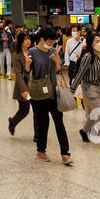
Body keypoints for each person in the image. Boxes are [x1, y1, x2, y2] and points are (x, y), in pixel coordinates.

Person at [28, 29, 72, 165]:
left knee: (59, 122)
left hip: (53, 92)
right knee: (43, 122)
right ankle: (40, 151)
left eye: (53, 41)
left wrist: (58, 63)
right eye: (49, 41)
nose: (51, 43)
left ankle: (65, 153)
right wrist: (26, 65)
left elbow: (59, 71)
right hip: (39, 93)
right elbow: (27, 73)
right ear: (41, 39)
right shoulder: (32, 52)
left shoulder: (53, 51)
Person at [72, 31, 100, 150]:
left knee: (95, 114)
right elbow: (80, 73)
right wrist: (72, 89)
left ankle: (84, 131)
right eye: (96, 41)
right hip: (90, 88)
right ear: (91, 44)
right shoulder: (88, 57)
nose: (99, 43)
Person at [8, 30, 32, 136]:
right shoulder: (16, 55)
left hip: (35, 85)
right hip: (23, 86)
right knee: (24, 110)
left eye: (29, 39)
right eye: (26, 39)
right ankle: (13, 122)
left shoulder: (32, 52)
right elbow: (18, 74)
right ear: (21, 41)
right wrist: (24, 90)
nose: (28, 41)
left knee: (37, 110)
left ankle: (37, 135)